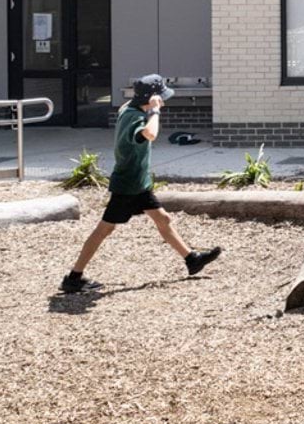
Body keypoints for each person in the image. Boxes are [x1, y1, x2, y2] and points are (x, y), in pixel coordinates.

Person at [60, 74, 222, 294]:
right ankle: (74, 277)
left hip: (138, 182)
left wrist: (145, 102)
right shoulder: (136, 119)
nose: (163, 100)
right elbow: (150, 134)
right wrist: (154, 110)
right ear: (151, 98)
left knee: (163, 219)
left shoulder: (129, 109)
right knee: (104, 229)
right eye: (160, 96)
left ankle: (191, 259)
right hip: (128, 185)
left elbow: (126, 106)